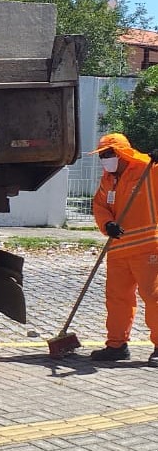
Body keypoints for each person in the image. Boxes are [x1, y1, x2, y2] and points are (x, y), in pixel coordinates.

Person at [89, 132, 158, 366]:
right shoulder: (108, 180)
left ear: (120, 153)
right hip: (118, 250)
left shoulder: (148, 170)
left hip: (148, 248)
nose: (104, 160)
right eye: (102, 156)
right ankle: (116, 345)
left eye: (108, 154)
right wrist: (107, 224)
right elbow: (99, 205)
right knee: (117, 299)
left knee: (154, 298)